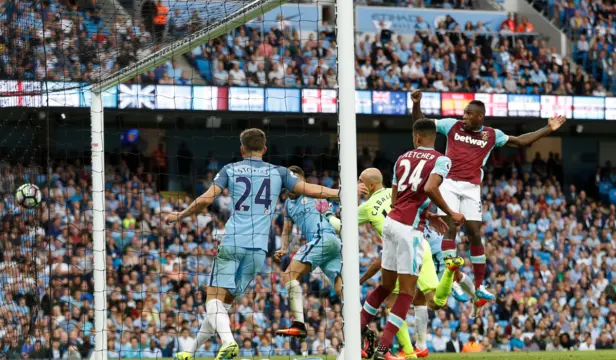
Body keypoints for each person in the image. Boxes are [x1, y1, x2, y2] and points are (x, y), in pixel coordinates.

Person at [167, 128, 338, 360]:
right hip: (258, 250)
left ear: (241, 149)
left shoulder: (230, 169)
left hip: (233, 242)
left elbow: (206, 199)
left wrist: (180, 215)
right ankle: (190, 351)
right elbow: (309, 189)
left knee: (213, 300)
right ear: (264, 148)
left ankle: (228, 342)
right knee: (223, 305)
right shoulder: (279, 172)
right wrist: (339, 192)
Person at [411, 90, 566, 316]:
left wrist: (547, 129)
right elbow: (421, 125)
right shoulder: (451, 126)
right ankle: (452, 279)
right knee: (451, 228)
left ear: (479, 117)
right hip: (449, 182)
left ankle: (479, 285)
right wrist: (417, 104)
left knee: (475, 232)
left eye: (468, 113)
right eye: (464, 112)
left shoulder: (492, 135)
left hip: (472, 187)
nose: (463, 116)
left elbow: (521, 141)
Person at [359, 119, 465, 360]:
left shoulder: (402, 158)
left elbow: (398, 201)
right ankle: (383, 349)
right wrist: (451, 213)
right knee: (407, 293)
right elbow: (429, 188)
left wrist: (428, 214)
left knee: (386, 287)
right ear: (432, 137)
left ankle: (355, 337)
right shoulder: (442, 160)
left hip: (391, 224)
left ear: (416, 138)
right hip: (410, 231)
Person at [273, 165, 343, 338]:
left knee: (289, 275)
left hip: (324, 237)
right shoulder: (288, 205)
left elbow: (327, 198)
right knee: (342, 288)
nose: (291, 184)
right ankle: (363, 329)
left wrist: (343, 193)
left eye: (295, 180)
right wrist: (283, 247)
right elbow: (287, 230)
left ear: (302, 182)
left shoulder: (311, 193)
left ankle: (298, 324)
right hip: (328, 245)